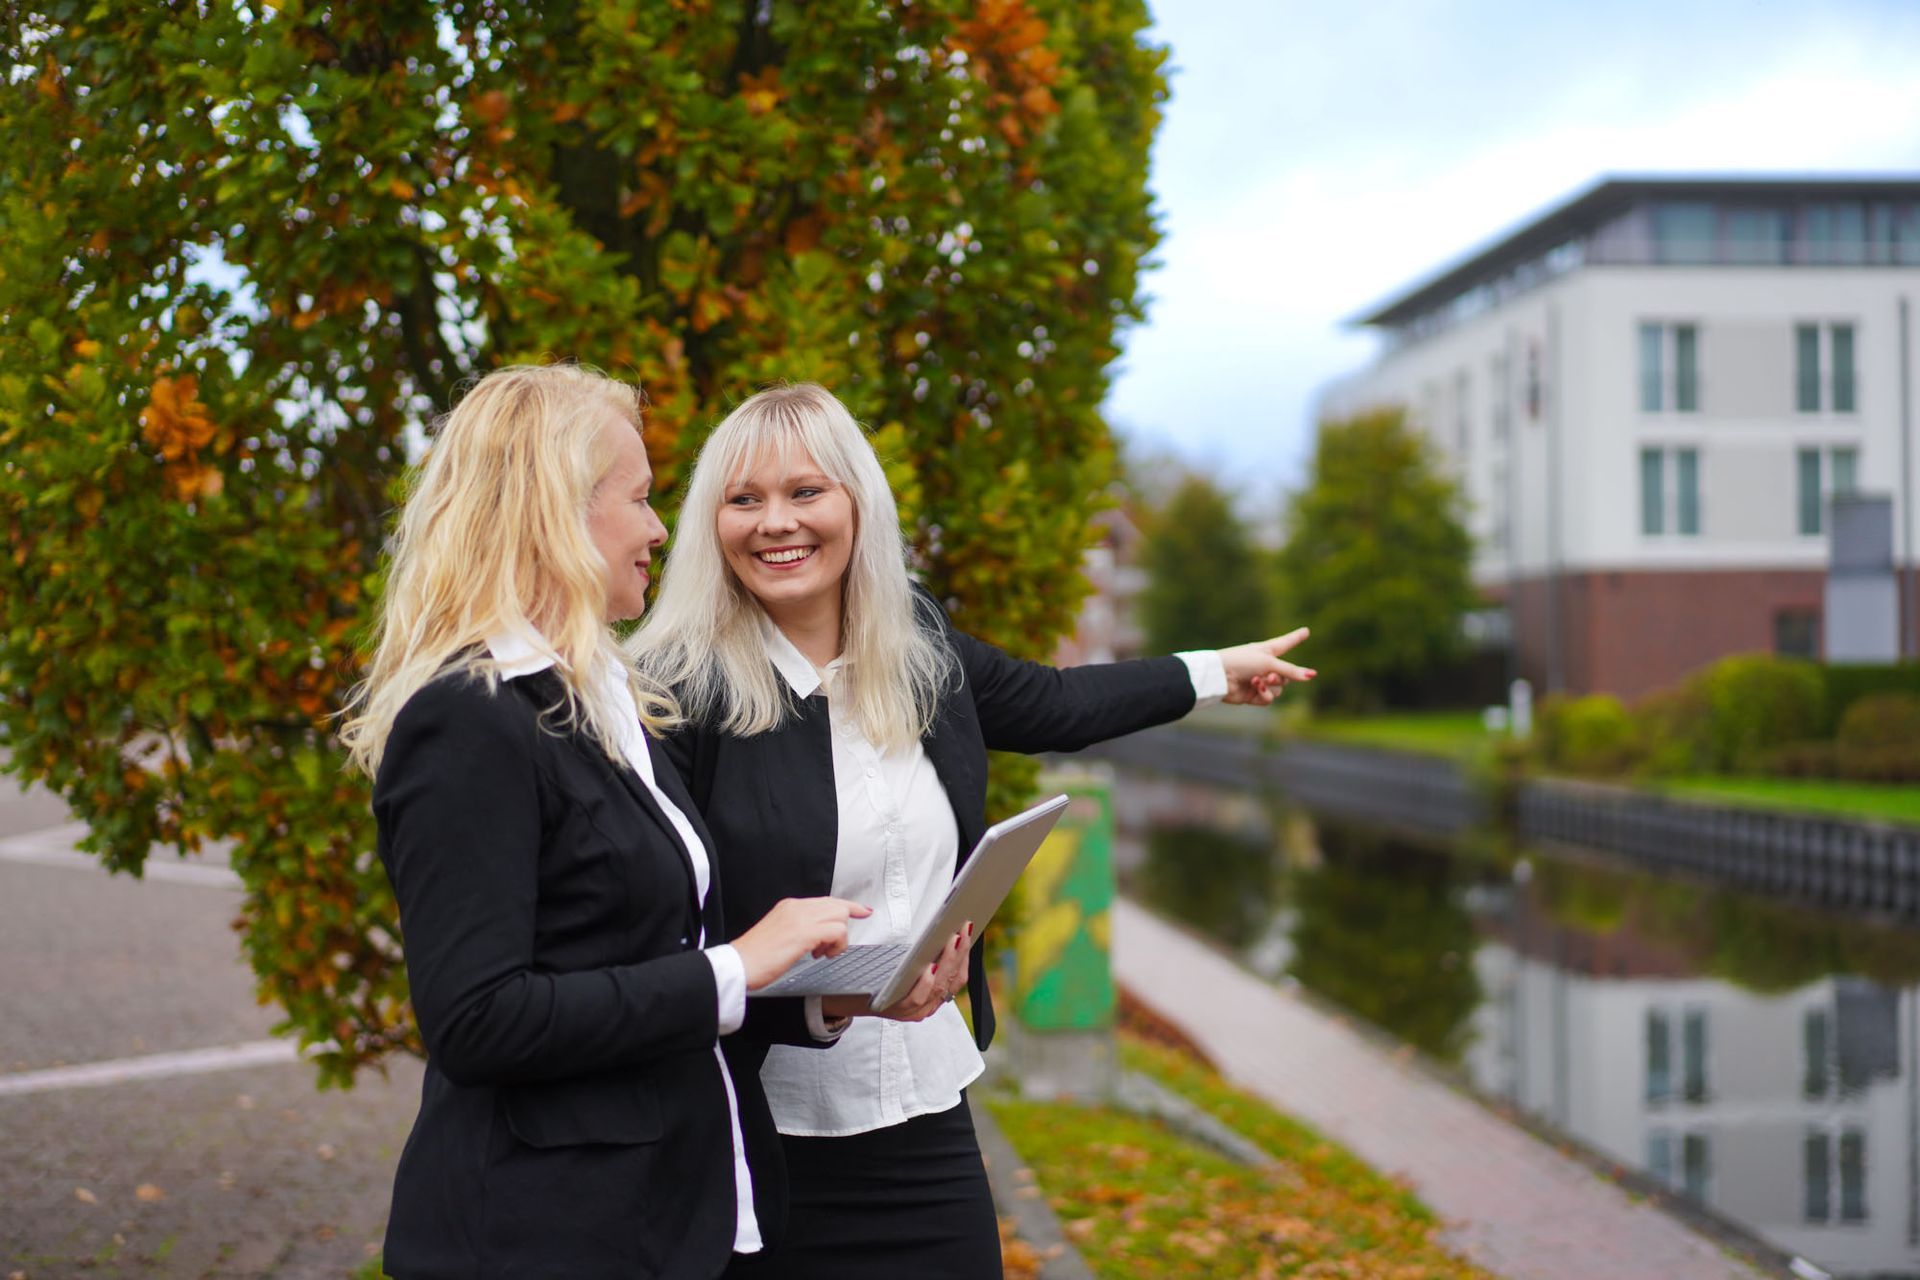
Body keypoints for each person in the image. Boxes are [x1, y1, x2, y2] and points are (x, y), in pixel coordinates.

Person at [630, 383, 1314, 1278]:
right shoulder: (676, 693)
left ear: (856, 504)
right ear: (708, 523)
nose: (774, 523)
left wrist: (1214, 671)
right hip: (759, 1134)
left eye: (806, 492)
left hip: (922, 1110)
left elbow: (1055, 700)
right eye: (743, 498)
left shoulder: (918, 643)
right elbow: (668, 942)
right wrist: (821, 1003)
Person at [339, 365, 869, 1279]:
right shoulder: (468, 716)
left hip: (672, 1220)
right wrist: (738, 963)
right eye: (641, 498)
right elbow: (478, 1019)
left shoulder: (605, 698)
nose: (663, 528)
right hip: (544, 1237)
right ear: (559, 511)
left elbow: (637, 962)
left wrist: (820, 1002)